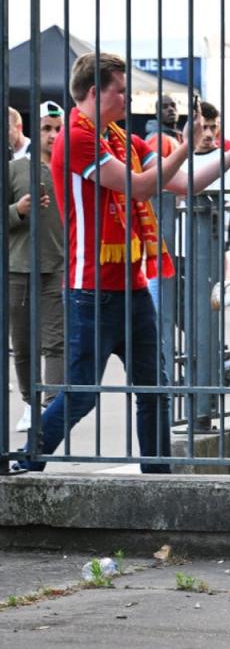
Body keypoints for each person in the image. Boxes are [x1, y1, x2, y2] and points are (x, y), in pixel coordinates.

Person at [16, 51, 207, 474]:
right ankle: (27, 457)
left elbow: (186, 183)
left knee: (155, 389)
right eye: (119, 90)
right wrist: (187, 145)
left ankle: (158, 477)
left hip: (132, 285)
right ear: (91, 92)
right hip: (91, 290)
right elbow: (142, 189)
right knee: (83, 393)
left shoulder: (119, 138)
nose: (126, 98)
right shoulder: (76, 139)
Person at [6, 100, 65, 432]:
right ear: (33, 131)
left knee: (55, 341)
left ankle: (52, 406)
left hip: (56, 267)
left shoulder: (70, 169)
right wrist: (20, 209)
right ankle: (31, 403)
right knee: (24, 344)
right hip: (18, 269)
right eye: (46, 128)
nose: (53, 135)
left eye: (58, 129)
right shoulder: (16, 169)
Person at [144, 93, 183, 157]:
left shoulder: (180, 136)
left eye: (173, 105)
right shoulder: (157, 138)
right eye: (164, 107)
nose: (171, 109)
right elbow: (155, 166)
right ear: (157, 114)